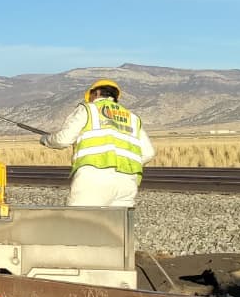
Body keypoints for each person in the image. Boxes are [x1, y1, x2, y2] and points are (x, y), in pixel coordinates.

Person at [40, 79, 155, 208]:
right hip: (127, 182)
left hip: (93, 178)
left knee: (82, 224)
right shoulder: (132, 118)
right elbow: (148, 153)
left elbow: (63, 140)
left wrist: (46, 139)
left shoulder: (88, 109)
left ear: (97, 93)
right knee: (117, 226)